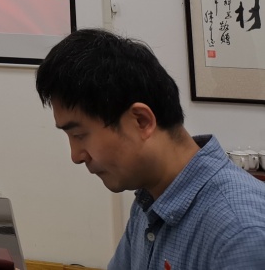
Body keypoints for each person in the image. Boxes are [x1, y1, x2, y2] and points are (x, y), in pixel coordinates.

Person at [35, 28, 265, 269]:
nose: (76, 156)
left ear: (141, 121)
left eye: (79, 135)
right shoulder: (150, 199)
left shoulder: (242, 233)